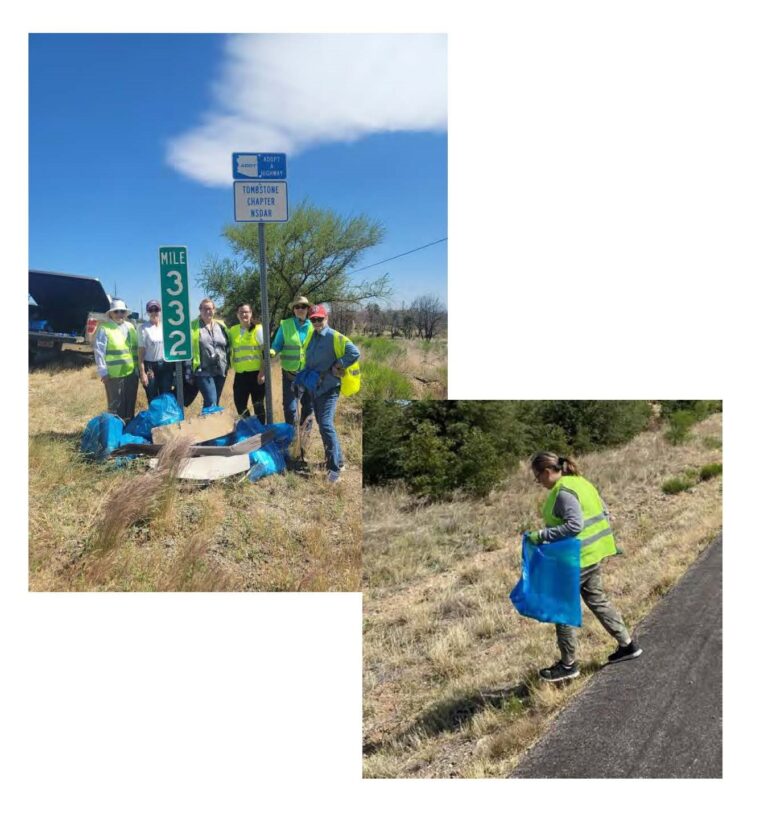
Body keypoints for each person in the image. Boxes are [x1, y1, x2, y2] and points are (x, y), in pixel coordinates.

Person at [527, 451, 642, 682]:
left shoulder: (563, 492)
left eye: (537, 477)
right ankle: (627, 644)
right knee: (596, 598)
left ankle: (568, 664)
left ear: (548, 472)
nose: (538, 482)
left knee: (561, 608)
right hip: (593, 554)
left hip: (578, 559)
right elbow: (605, 511)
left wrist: (541, 536)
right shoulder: (581, 482)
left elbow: (574, 526)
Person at [302, 304, 360, 482]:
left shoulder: (335, 336)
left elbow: (355, 352)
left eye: (320, 319)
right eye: (313, 319)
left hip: (329, 388)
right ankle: (340, 461)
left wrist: (338, 364)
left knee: (326, 425)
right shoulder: (313, 335)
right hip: (314, 387)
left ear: (326, 318)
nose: (317, 322)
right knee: (322, 423)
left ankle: (334, 472)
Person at [270, 295, 314, 427]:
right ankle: (291, 437)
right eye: (297, 307)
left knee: (309, 407)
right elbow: (277, 344)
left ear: (307, 309)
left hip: (310, 374)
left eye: (303, 307)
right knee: (290, 409)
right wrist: (272, 352)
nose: (300, 309)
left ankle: (304, 438)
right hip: (290, 375)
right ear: (293, 310)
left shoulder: (314, 324)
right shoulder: (286, 325)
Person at [93, 298, 139, 422]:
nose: (119, 314)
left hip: (131, 372)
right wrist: (103, 372)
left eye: (122, 311)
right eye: (116, 311)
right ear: (111, 314)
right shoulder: (105, 328)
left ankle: (128, 428)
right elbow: (99, 351)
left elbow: (136, 349)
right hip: (113, 375)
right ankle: (115, 431)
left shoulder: (130, 327)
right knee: (115, 405)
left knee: (130, 402)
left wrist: (138, 369)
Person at [228, 302, 266, 422]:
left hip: (257, 375)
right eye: (241, 312)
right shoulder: (233, 331)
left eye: (246, 312)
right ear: (237, 315)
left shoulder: (258, 329)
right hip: (240, 375)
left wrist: (262, 372)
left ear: (251, 314)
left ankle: (261, 433)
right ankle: (250, 429)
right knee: (240, 406)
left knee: (258, 406)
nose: (244, 314)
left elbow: (265, 353)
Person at [189, 298, 230, 409]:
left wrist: (228, 365)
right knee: (211, 401)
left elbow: (228, 346)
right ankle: (208, 424)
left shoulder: (221, 326)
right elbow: (188, 349)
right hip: (203, 370)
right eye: (205, 309)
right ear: (200, 310)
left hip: (220, 369)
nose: (208, 311)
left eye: (210, 309)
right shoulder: (192, 326)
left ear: (214, 310)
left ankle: (208, 425)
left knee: (214, 402)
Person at [138, 300, 174, 404]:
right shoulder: (143, 328)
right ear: (147, 312)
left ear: (160, 311)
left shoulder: (166, 326)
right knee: (152, 397)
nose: (154, 312)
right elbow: (141, 353)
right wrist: (142, 373)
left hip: (166, 365)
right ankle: (155, 420)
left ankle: (165, 420)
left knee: (166, 396)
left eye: (156, 309)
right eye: (151, 310)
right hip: (150, 367)